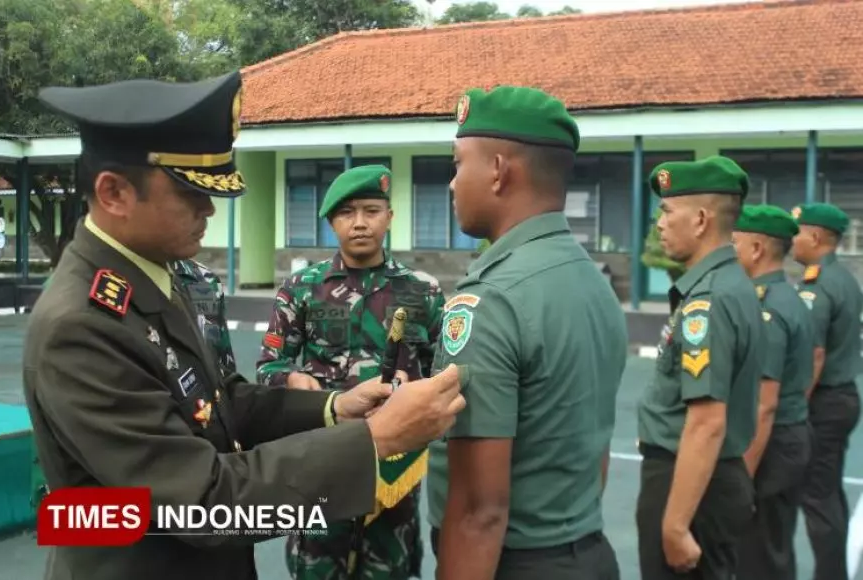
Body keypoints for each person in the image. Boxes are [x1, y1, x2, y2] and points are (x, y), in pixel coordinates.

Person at [23, 70, 465, 580]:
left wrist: (333, 407)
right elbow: (202, 502)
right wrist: (373, 441)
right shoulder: (81, 325)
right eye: (191, 193)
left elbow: (222, 403)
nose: (210, 208)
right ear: (115, 193)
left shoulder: (157, 277)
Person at [425, 85, 628, 580]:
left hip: (513, 563)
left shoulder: (491, 299)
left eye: (457, 164)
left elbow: (479, 511)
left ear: (497, 171)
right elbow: (593, 449)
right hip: (587, 553)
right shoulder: (593, 283)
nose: (452, 184)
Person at [256, 163, 445, 579]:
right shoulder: (302, 287)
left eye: (371, 210)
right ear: (330, 223)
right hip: (324, 463)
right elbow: (268, 367)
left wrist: (419, 391)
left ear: (390, 217)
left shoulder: (423, 291)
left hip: (395, 464)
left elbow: (442, 375)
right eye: (346, 213)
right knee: (317, 569)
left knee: (388, 569)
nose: (359, 223)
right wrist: (290, 379)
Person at [635, 155, 761, 579]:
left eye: (669, 210)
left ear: (702, 219)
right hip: (708, 482)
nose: (660, 223)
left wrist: (674, 524)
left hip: (688, 488)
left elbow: (706, 422)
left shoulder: (708, 301)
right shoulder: (733, 285)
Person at [29, 257, 235, 512]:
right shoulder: (81, 298)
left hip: (205, 460)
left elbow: (221, 370)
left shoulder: (201, 280)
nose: (205, 215)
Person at [731, 204, 813, 580]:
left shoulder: (767, 309)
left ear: (757, 248)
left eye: (734, 241)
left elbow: (764, 404)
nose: (729, 249)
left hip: (770, 445)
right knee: (774, 549)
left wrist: (742, 477)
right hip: (788, 438)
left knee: (759, 556)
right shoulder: (788, 298)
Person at [791, 202, 863, 580]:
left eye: (798, 232)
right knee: (828, 492)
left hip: (823, 402)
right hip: (843, 397)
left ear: (816, 236)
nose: (793, 240)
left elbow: (814, 355)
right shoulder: (845, 278)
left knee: (816, 496)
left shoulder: (817, 286)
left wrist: (796, 407)